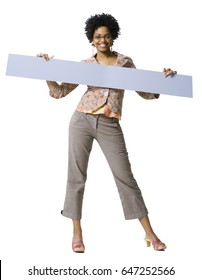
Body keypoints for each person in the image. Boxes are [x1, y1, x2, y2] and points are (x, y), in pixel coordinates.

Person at [37, 13, 177, 253]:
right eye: (97, 37)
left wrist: (164, 82)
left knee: (126, 178)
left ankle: (149, 233)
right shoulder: (85, 65)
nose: (102, 40)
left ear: (112, 38)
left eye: (106, 36)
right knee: (76, 176)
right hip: (81, 119)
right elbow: (60, 92)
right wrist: (44, 70)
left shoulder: (124, 62)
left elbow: (144, 91)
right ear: (91, 39)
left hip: (110, 124)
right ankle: (77, 233)